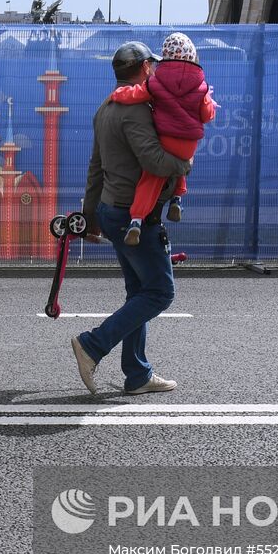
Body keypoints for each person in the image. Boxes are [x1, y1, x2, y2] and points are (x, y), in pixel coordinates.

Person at [70, 40, 194, 396]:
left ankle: (138, 373)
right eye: (152, 66)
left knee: (138, 291)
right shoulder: (136, 110)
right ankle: (93, 344)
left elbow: (95, 168)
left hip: (111, 211)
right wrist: (182, 164)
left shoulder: (105, 108)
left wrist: (90, 215)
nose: (155, 70)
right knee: (159, 293)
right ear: (144, 69)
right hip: (132, 216)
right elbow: (154, 160)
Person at [107, 32, 216, 245]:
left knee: (151, 180)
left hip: (165, 138)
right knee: (181, 164)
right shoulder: (202, 87)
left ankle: (136, 221)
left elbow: (135, 94)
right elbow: (207, 115)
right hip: (189, 144)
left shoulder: (156, 83)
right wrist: (210, 103)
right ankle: (177, 199)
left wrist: (118, 94)